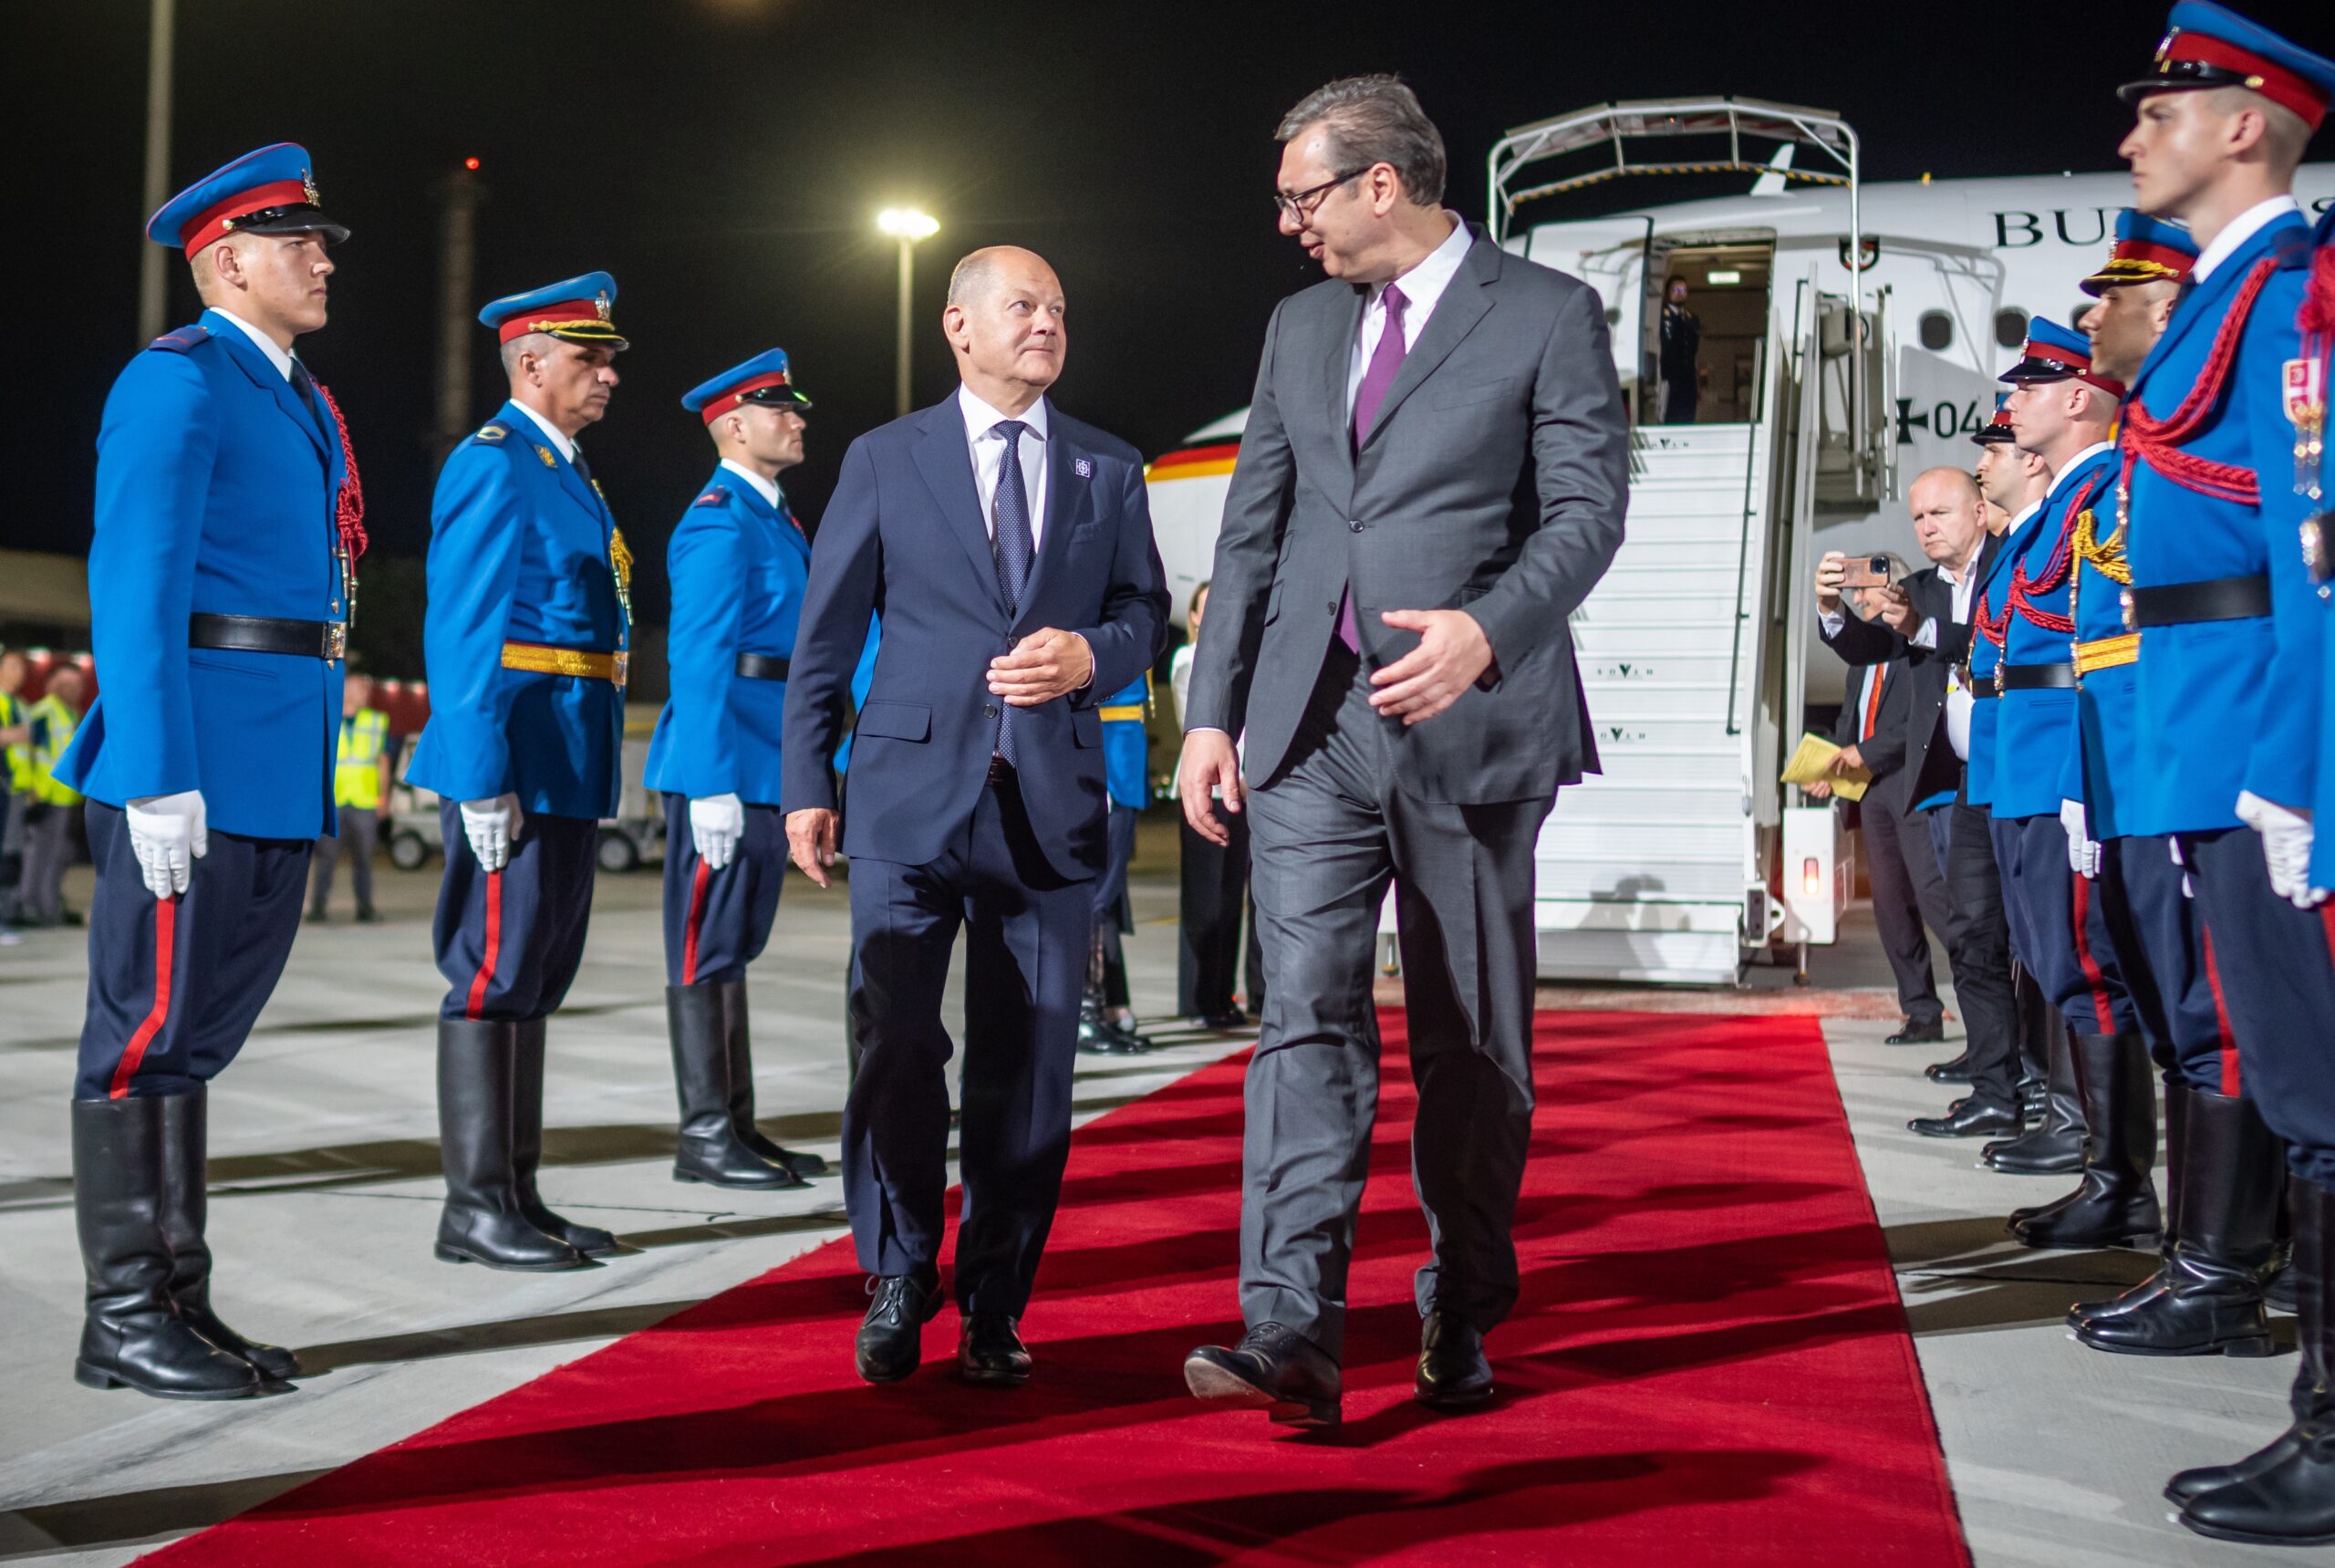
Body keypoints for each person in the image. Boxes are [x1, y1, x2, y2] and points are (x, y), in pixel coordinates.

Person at [1178, 75, 1628, 1428]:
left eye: (1302, 194)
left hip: (1470, 725)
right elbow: (1254, 533)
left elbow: (1587, 510)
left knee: (1470, 1039)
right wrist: (1212, 710)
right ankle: (1292, 1328)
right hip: (1307, 730)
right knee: (1303, 1015)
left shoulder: (1548, 313)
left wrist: (1490, 632)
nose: (1287, 223)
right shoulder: (1299, 325)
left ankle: (1460, 1302)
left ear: (1385, 182)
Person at [781, 245, 1168, 1387]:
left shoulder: (1108, 466)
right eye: (1022, 306)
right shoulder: (885, 458)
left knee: (1031, 1067)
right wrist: (807, 780)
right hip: (906, 798)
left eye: (1058, 307)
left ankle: (996, 1301)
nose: (1046, 323)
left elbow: (1145, 611)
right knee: (897, 1044)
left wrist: (1090, 653)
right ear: (957, 325)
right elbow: (827, 631)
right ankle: (901, 1267)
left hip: (1047, 806)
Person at [48, 141, 359, 1400]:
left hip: (273, 756)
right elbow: (135, 586)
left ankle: (176, 1291)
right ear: (227, 261)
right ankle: (124, 1310)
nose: (326, 257)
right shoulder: (176, 383)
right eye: (302, 241)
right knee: (141, 1039)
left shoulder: (288, 389)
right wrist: (159, 773)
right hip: (200, 762)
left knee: (191, 1042)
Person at [2094, 6, 2335, 1544]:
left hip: (2262, 735)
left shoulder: (2292, 299)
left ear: (2243, 121)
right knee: (2297, 1085)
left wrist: (2298, 768)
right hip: (2206, 731)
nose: (2132, 137)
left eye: (2157, 112)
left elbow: (2315, 556)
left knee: (2317, 1095)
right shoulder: (2224, 299)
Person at [2055, 214, 2277, 1356]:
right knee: (2187, 1015)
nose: (2095, 318)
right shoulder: (2143, 452)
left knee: (2225, 1021)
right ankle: (2200, 1256)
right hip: (2148, 756)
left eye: (2114, 297)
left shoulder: (2205, 412)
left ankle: (2223, 1270)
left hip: (2208, 751)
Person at [406, 272, 632, 1272]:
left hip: (567, 752)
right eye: (590, 358)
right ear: (530, 363)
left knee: (535, 975)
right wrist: (480, 774)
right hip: (519, 755)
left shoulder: (566, 467)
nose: (609, 374)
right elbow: (462, 629)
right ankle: (472, 1208)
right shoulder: (495, 462)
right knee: (493, 974)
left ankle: (517, 1193)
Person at [1984, 321, 2164, 1250]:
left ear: (2078, 398)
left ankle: (2120, 1182)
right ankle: (2109, 1172)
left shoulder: (2103, 491)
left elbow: (2098, 653)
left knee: (2089, 970)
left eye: (2027, 389)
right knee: (2061, 968)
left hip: (2064, 756)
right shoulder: (2064, 505)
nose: (2008, 406)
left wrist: (2077, 782)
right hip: (2029, 755)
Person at [642, 348, 828, 1191]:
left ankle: (736, 1124)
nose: (797, 419)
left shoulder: (773, 516)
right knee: (704, 947)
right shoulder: (719, 519)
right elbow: (700, 658)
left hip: (768, 757)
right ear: (733, 425)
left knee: (734, 946)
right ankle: (705, 1133)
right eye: (779, 409)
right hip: (726, 762)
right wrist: (709, 779)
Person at [1816, 471, 2026, 1137]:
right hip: (1954, 779)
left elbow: (1993, 645)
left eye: (1939, 511)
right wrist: (1831, 609)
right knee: (1969, 934)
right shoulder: (1922, 589)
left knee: (2025, 938)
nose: (1927, 525)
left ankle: (2037, 1079)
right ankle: (1995, 1082)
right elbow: (1871, 647)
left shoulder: (2009, 565)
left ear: (1979, 509)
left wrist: (1919, 624)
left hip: (2019, 768)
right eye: (1918, 517)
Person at [1809, 563, 1951, 1044]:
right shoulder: (1862, 654)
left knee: (1937, 901)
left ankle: (1996, 1007)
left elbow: (1913, 723)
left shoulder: (1915, 648)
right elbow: (1855, 718)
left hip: (1910, 785)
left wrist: (1862, 753)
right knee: (1891, 908)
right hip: (1871, 790)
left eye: (1868, 589)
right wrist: (1835, 764)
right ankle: (1921, 1013)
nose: (1861, 599)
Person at [1174, 582, 1261, 1028]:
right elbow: (1201, 725)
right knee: (1207, 901)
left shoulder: (1239, 661)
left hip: (1242, 789)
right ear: (1192, 618)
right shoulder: (1190, 662)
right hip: (1208, 790)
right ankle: (1201, 1000)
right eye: (1205, 608)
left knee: (1237, 899)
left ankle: (1230, 996)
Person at [1079, 671, 1153, 1054]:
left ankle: (1101, 1007)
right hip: (1106, 756)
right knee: (1096, 897)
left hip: (1123, 759)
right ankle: (1086, 1013)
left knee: (1104, 897)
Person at [306, 671, 389, 923]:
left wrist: (383, 796)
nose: (366, 693)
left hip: (364, 802)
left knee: (364, 859)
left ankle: (365, 908)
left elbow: (382, 760)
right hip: (333, 801)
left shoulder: (376, 720)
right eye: (360, 689)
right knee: (326, 859)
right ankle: (318, 908)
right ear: (345, 691)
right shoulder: (326, 718)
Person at [21, 665, 87, 929]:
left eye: (76, 684)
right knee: (39, 856)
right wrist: (32, 790)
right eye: (66, 683)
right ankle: (33, 907)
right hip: (45, 797)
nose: (73, 688)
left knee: (58, 856)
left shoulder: (71, 714)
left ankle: (48, 907)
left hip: (67, 798)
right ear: (53, 685)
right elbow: (26, 751)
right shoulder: (45, 712)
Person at [0, 649, 29, 940]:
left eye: (21, 666)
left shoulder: (16, 704)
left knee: (9, 856)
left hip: (13, 789)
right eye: (12, 666)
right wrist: (14, 735)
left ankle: (5, 914)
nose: (18, 672)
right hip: (4, 786)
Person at [1658, 276, 1701, 425]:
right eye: (1676, 290)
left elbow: (1693, 348)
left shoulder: (1691, 318)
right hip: (1670, 377)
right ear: (1668, 292)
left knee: (1688, 414)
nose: (1680, 293)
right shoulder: (1661, 316)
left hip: (1688, 377)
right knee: (1670, 416)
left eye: (1683, 290)